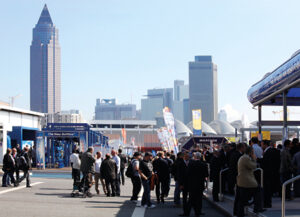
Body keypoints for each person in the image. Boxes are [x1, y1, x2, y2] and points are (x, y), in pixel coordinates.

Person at [234, 146, 264, 217]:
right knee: (258, 190)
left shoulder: (242, 157)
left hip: (242, 180)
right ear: (251, 152)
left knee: (242, 199)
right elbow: (253, 166)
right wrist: (254, 159)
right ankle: (257, 207)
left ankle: (241, 212)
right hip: (247, 181)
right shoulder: (246, 158)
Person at [186, 152, 208, 217]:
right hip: (200, 183)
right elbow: (206, 174)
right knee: (199, 199)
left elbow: (187, 174)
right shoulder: (203, 164)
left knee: (191, 199)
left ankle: (187, 212)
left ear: (195, 157)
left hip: (192, 184)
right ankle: (198, 212)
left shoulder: (191, 164)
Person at [260, 140, 280, 208]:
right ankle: (267, 203)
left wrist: (259, 160)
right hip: (271, 173)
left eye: (262, 144)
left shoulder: (269, 152)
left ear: (265, 145)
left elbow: (266, 162)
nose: (261, 146)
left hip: (268, 173)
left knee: (267, 189)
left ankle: (267, 203)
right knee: (268, 189)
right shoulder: (272, 151)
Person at [177, 151, 190, 216]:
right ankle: (185, 212)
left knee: (191, 198)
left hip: (191, 184)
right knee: (184, 198)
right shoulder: (180, 164)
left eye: (188, 156)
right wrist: (181, 184)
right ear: (183, 157)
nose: (187, 157)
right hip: (184, 184)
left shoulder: (192, 163)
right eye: (186, 156)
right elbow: (179, 175)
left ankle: (190, 210)